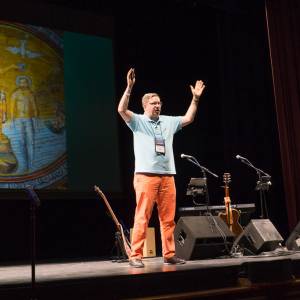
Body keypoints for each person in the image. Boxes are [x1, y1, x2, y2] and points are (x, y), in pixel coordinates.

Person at [118, 68, 205, 268]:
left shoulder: (168, 121)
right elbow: (122, 110)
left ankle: (169, 254)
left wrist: (195, 99)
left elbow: (188, 118)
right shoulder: (138, 121)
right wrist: (129, 87)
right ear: (145, 105)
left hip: (167, 176)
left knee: (168, 219)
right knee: (142, 216)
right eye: (154, 103)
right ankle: (136, 255)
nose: (158, 105)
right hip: (145, 176)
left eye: (159, 102)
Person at [10, 75, 39, 172]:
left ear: (27, 83)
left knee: (30, 141)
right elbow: (12, 108)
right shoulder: (15, 94)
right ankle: (24, 164)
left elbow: (34, 106)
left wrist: (35, 120)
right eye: (21, 82)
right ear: (19, 83)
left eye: (25, 82)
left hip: (28, 119)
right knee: (21, 142)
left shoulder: (30, 94)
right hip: (18, 120)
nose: (23, 84)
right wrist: (12, 121)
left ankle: (32, 164)